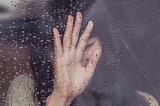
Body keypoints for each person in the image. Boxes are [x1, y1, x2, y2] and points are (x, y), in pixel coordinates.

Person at [4, 12, 102, 106]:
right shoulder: (25, 89)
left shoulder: (109, 90)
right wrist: (60, 98)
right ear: (53, 57)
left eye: (88, 45)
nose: (79, 55)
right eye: (74, 48)